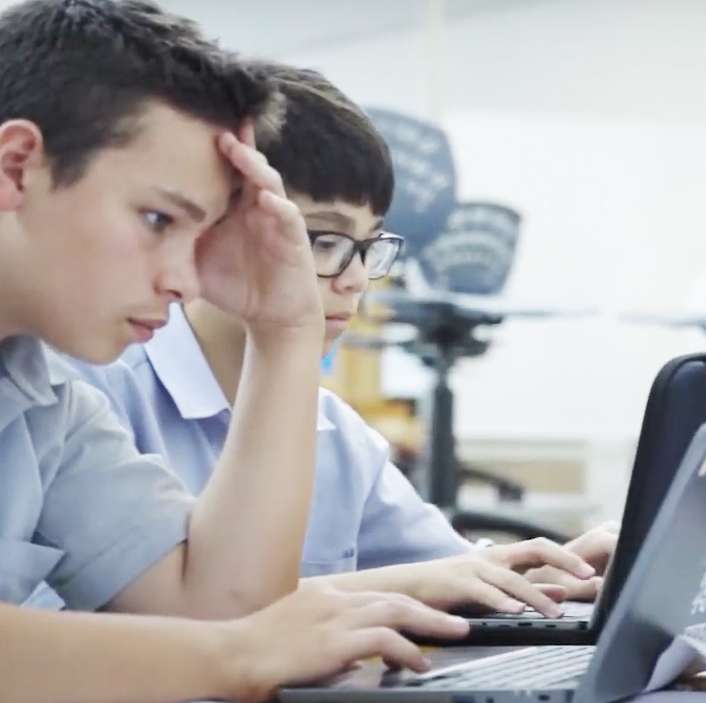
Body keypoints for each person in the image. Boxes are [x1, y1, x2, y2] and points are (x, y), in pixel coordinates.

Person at [0, 1, 467, 700]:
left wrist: (285, 331)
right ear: (16, 167)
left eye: (199, 232)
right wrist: (233, 652)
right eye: (157, 219)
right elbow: (236, 637)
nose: (184, 279)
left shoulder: (44, 400)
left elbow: (225, 602)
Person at [63, 60, 615, 616]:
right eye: (323, 240)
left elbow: (446, 573)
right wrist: (404, 588)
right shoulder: (92, 396)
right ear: (206, 219)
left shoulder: (336, 434)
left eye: (370, 244)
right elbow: (195, 612)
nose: (354, 279)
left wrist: (551, 575)